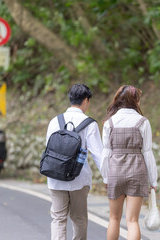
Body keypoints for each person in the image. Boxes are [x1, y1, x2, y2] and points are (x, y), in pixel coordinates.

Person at [45, 84, 103, 240]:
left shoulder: (54, 121)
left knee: (58, 219)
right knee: (79, 219)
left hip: (55, 178)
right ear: (86, 100)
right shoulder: (89, 124)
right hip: (79, 179)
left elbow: (48, 149)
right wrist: (108, 178)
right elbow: (98, 154)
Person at [100, 85, 158, 240]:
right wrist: (153, 180)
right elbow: (147, 152)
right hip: (137, 171)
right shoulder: (143, 122)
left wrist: (106, 177)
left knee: (114, 218)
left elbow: (106, 153)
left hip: (115, 171)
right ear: (135, 100)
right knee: (132, 220)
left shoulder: (109, 123)